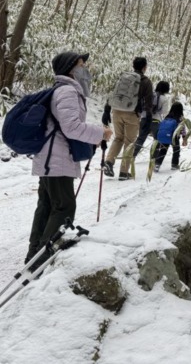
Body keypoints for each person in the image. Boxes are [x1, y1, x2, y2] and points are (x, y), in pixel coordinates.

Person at [26, 51, 113, 265]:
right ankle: (43, 257)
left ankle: (34, 254)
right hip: (56, 160)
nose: (85, 68)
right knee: (64, 207)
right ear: (70, 68)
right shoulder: (67, 91)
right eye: (81, 64)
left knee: (47, 205)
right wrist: (101, 133)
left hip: (50, 158)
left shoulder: (61, 89)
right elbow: (71, 127)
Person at [102, 56, 153, 180]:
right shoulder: (146, 81)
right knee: (129, 142)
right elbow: (148, 102)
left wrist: (106, 110)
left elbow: (113, 94)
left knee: (118, 138)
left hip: (116, 111)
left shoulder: (124, 77)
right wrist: (148, 119)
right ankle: (124, 172)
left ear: (133, 66)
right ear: (144, 67)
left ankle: (109, 162)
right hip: (132, 114)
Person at [132, 80, 171, 158]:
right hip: (156, 121)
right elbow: (164, 112)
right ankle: (153, 158)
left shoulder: (150, 95)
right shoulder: (164, 99)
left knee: (140, 138)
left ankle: (131, 156)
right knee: (157, 140)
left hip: (144, 119)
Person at [153, 101, 188, 172]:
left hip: (165, 135)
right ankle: (174, 165)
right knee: (176, 150)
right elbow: (183, 129)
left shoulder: (167, 116)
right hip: (174, 137)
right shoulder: (180, 118)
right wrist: (184, 138)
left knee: (163, 150)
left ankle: (157, 165)